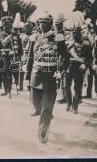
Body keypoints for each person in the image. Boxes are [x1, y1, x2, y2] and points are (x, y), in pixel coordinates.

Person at [25, 11, 69, 143]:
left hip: (50, 75)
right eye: (41, 23)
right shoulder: (35, 38)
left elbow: (65, 56)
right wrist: (27, 72)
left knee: (46, 108)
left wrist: (60, 70)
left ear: (50, 24)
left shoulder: (58, 38)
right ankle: (46, 114)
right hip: (36, 74)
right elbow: (30, 57)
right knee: (34, 101)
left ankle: (43, 133)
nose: (42, 26)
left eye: (45, 23)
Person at [65, 12, 92, 114]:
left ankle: (75, 106)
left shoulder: (86, 43)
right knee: (66, 86)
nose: (75, 34)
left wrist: (85, 64)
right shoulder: (69, 43)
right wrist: (64, 67)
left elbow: (90, 57)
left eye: (77, 32)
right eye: (74, 32)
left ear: (81, 33)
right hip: (69, 66)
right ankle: (69, 103)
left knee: (77, 88)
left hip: (79, 67)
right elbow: (64, 56)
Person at [1, 16, 23, 98]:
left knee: (10, 74)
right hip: (3, 57)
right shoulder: (1, 34)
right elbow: (0, 45)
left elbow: (19, 47)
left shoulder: (15, 35)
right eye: (5, 25)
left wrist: (19, 57)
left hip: (12, 57)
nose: (7, 27)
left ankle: (10, 91)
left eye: (9, 25)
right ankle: (5, 90)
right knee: (3, 74)